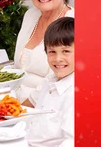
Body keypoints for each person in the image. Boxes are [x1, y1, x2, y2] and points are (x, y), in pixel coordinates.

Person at [14, 0, 74, 101]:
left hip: (43, 108)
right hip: (14, 101)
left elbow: (57, 85)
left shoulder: (72, 24)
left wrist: (18, 112)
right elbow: (18, 70)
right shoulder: (30, 15)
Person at [22, 17, 74, 147]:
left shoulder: (74, 94)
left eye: (66, 51)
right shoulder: (50, 79)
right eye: (52, 52)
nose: (58, 59)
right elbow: (28, 106)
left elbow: (71, 142)